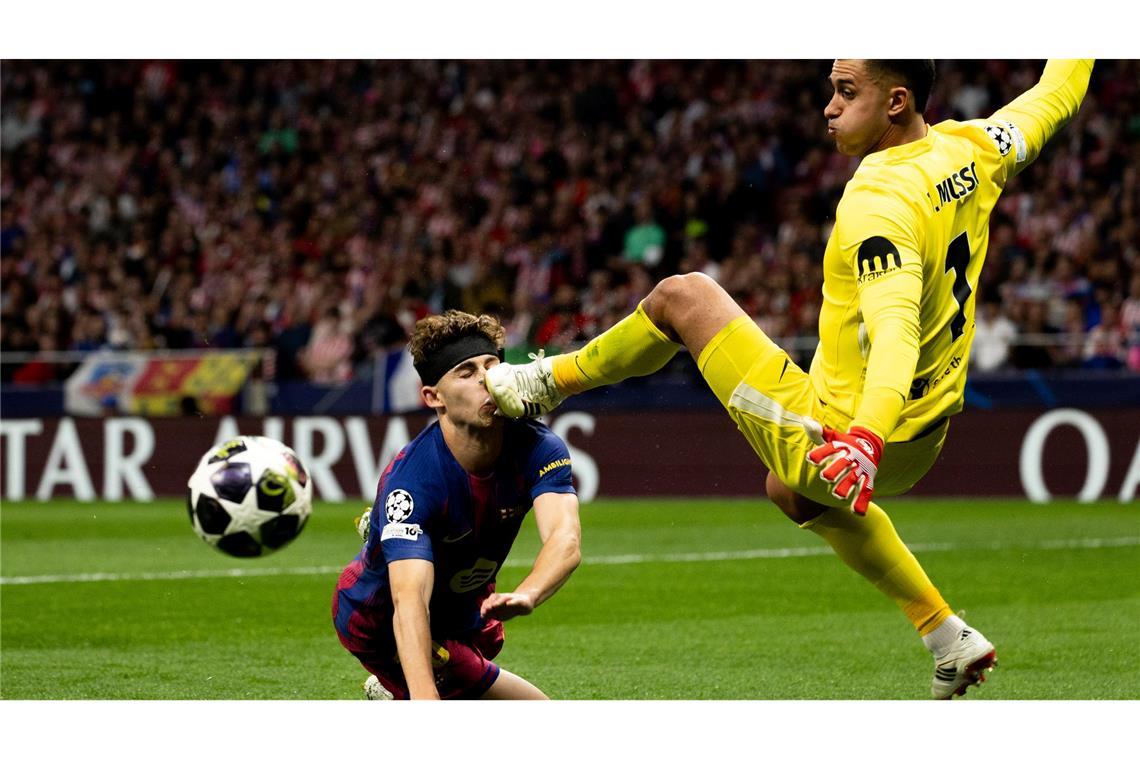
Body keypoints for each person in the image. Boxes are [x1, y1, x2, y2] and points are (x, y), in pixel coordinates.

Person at [486, 59, 1094, 699]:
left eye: (845, 91)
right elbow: (1058, 93)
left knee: (683, 298)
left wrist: (863, 440)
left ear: (896, 102)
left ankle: (543, 384)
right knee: (791, 492)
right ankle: (946, 635)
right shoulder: (976, 148)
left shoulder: (878, 203)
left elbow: (895, 333)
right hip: (923, 436)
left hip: (842, 440)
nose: (828, 107)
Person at [332, 310, 581, 700]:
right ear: (434, 397)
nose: (488, 379)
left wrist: (530, 592)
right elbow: (408, 600)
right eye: (466, 372)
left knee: (487, 640)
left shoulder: (538, 445)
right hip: (380, 620)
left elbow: (565, 538)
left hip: (465, 607)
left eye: (492, 365)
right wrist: (424, 697)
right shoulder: (412, 481)